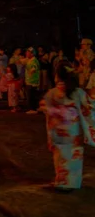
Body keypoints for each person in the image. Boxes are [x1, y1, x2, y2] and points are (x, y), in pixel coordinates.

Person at [41, 63, 95, 193]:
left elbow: (45, 108)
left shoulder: (52, 92)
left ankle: (61, 181)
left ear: (57, 77)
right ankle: (72, 183)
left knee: (60, 155)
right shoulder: (77, 92)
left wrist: (55, 113)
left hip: (58, 128)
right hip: (72, 129)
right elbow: (90, 106)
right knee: (73, 156)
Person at [24, 48, 41, 114]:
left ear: (32, 53)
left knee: (31, 96)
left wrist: (30, 72)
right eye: (26, 52)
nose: (26, 53)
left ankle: (33, 109)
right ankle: (34, 108)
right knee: (31, 95)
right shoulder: (30, 60)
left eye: (28, 52)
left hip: (32, 81)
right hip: (30, 81)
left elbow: (33, 69)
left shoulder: (34, 61)